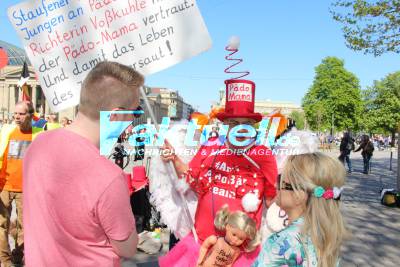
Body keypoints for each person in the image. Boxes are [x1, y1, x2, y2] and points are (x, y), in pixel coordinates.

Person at [23, 62, 143, 266]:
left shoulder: (38, 145)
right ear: (114, 115)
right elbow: (128, 248)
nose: (133, 119)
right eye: (135, 111)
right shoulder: (109, 177)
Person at [159, 79, 277, 266]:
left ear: (253, 126)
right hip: (203, 240)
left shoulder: (263, 155)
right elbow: (190, 178)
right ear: (226, 124)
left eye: (245, 123)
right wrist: (173, 158)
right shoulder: (211, 147)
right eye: (233, 122)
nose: (239, 128)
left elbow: (272, 200)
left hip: (240, 251)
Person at [252, 152, 347, 267]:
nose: (274, 183)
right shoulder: (325, 235)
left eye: (280, 178)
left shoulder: (281, 243)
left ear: (298, 195)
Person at [0, 101, 34, 266]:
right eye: (15, 113)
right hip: (4, 185)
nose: (16, 117)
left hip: (26, 188)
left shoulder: (38, 134)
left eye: (21, 114)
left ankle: (19, 256)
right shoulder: (7, 131)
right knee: (1, 225)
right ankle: (5, 260)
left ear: (30, 115)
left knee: (25, 226)